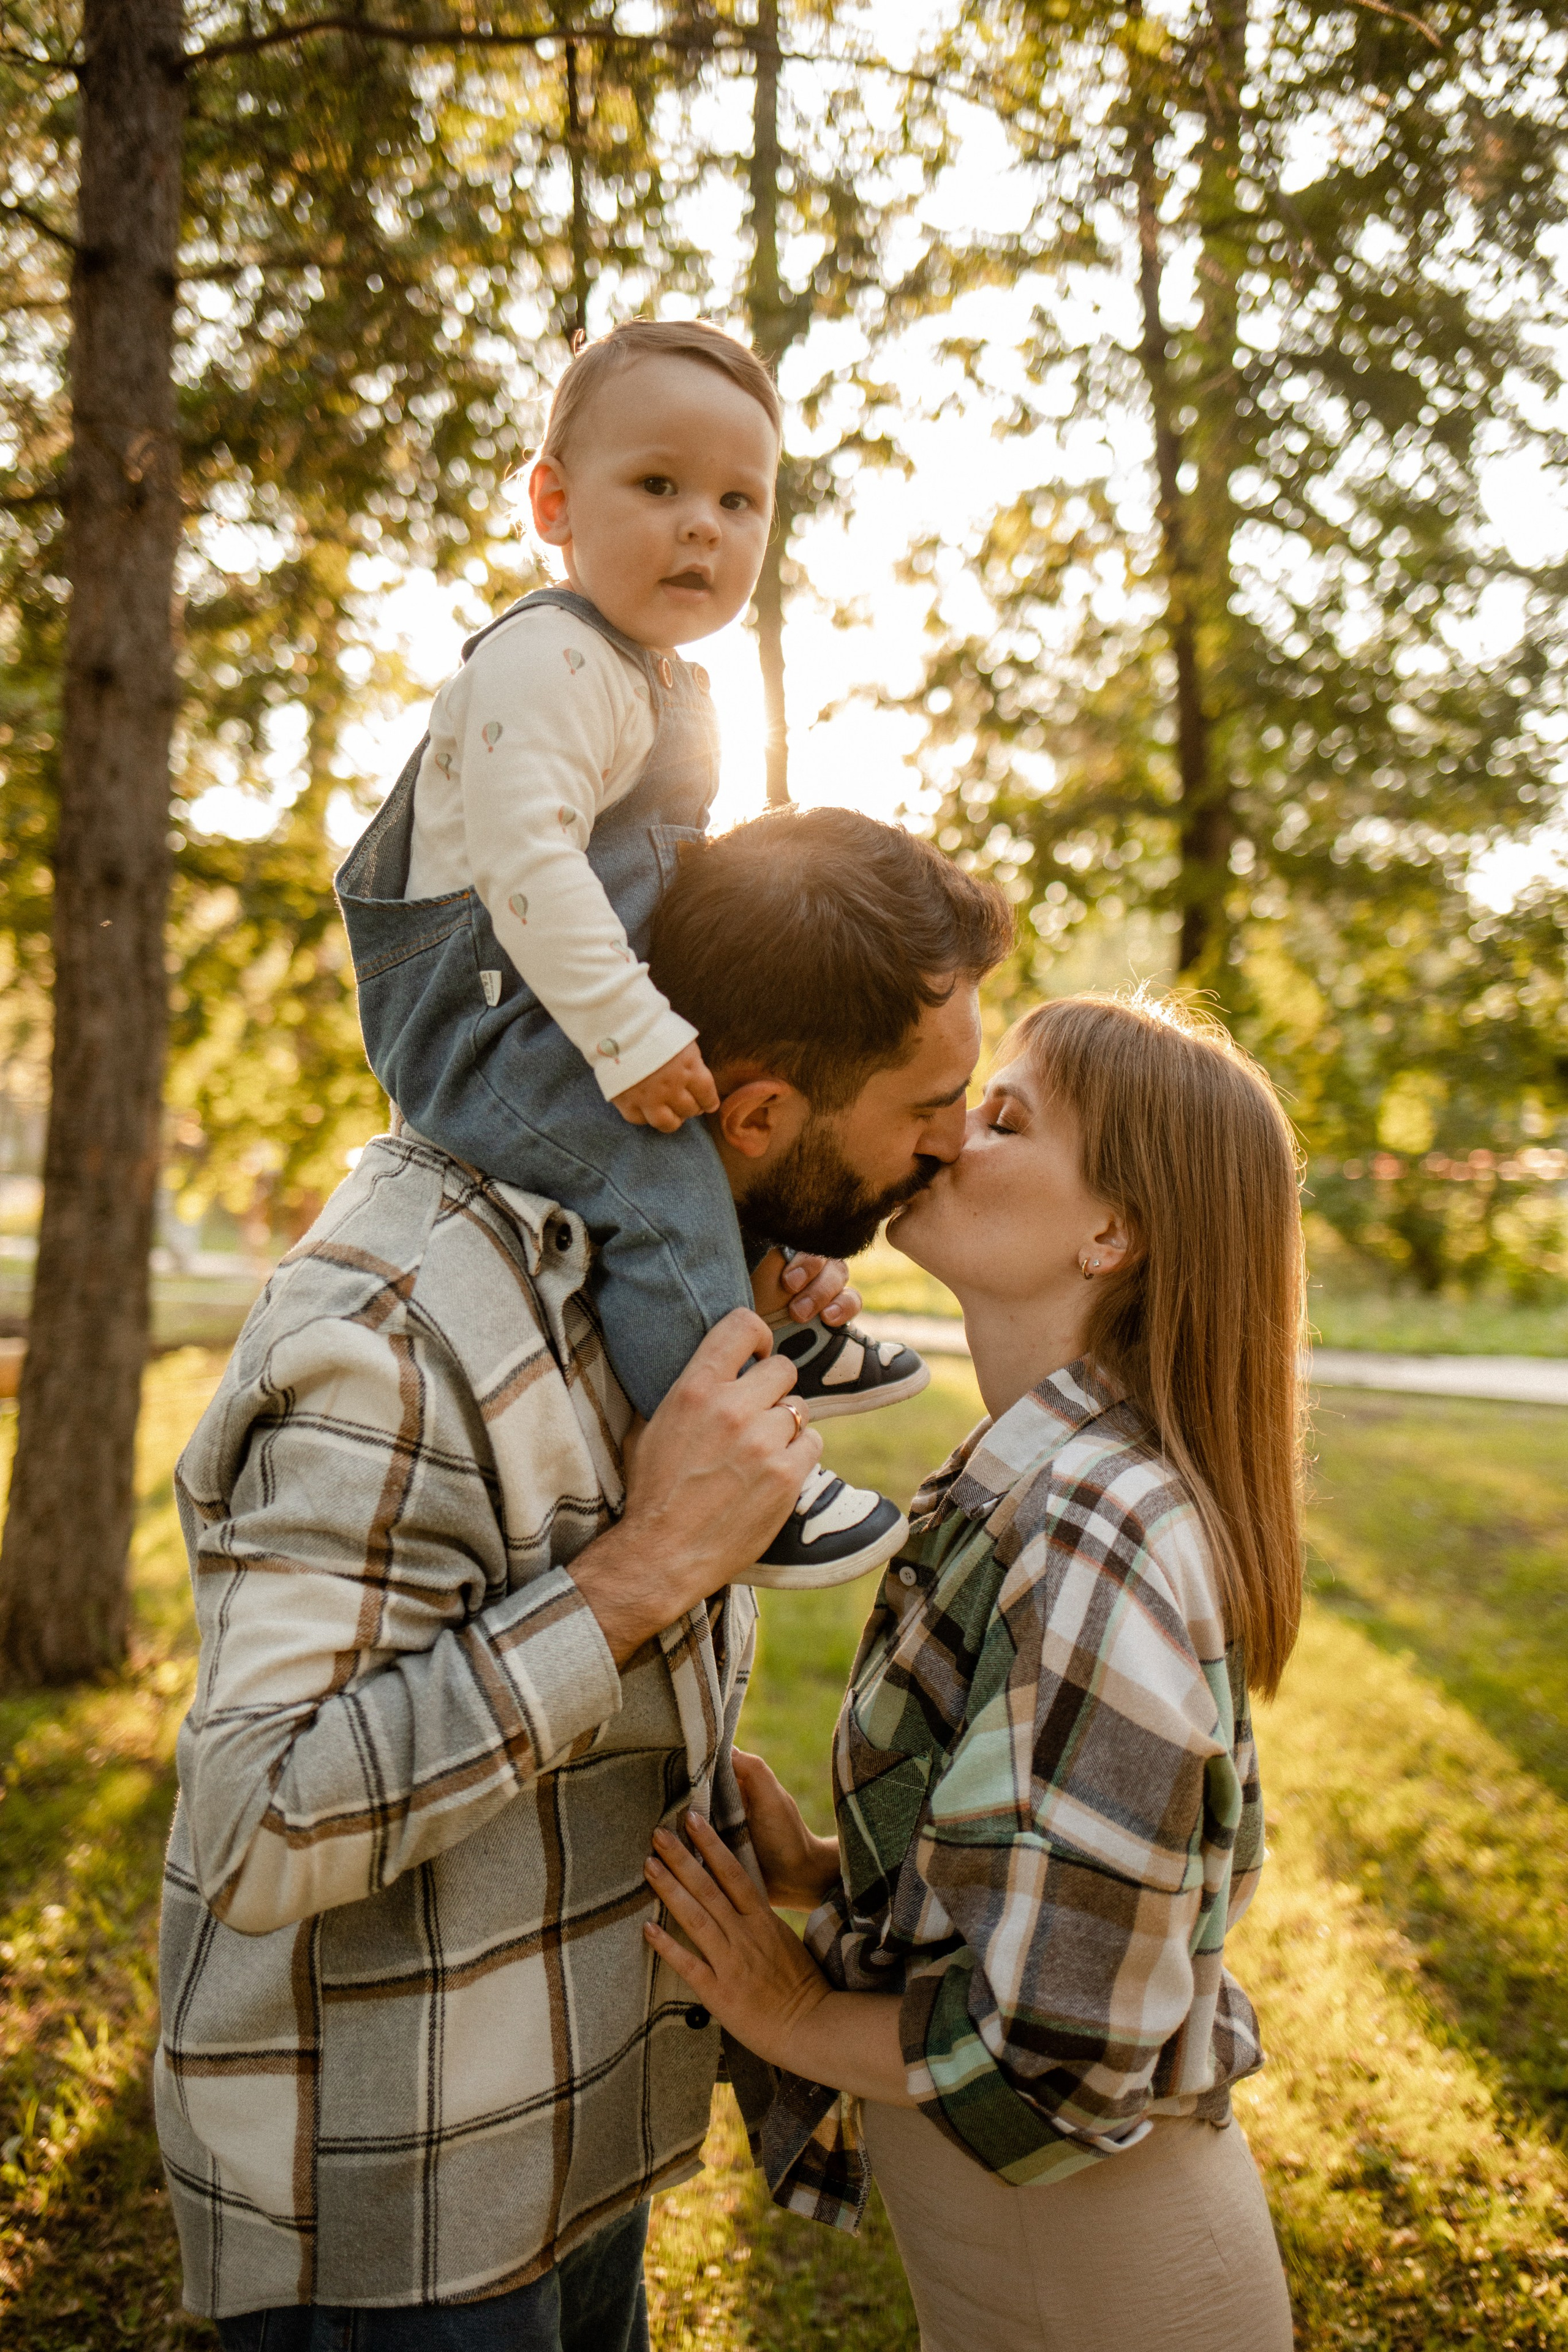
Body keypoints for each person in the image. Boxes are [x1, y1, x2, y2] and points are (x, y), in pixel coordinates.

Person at [155, 807, 1012, 2345]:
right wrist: (640, 1576)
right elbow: (258, 1824)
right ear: (753, 1113)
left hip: (571, 2133)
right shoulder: (395, 1336)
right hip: (397, 2213)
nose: (952, 1141)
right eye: (930, 1107)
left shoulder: (650, 1250)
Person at [641, 990, 1304, 2352]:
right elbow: (1061, 1880)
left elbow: (1054, 2056)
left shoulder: (1091, 1530)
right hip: (1026, 2277)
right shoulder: (1028, 1481)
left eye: (1001, 1119)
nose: (944, 1136)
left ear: (1110, 1233)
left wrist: (786, 2006)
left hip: (1106, 2288)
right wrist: (835, 1874)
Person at [336, 318, 922, 1588]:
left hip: (569, 1011)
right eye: (657, 486)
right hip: (485, 1028)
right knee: (652, 1177)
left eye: (736, 499)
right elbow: (529, 863)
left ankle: (759, 1319)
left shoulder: (656, 676)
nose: (700, 525)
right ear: (554, 501)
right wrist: (633, 1037)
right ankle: (751, 1477)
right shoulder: (547, 659)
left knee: (714, 1127)